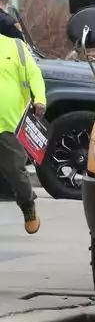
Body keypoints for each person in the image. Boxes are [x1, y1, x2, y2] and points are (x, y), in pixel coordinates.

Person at [0, 34, 45, 234]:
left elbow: (34, 74)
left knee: (15, 171)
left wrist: (40, 99)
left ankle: (28, 205)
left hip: (10, 123)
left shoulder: (15, 46)